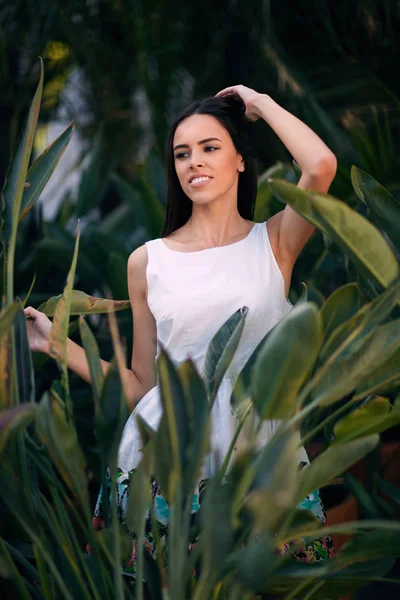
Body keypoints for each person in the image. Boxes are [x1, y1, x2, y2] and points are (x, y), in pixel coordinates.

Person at [25, 84, 336, 577]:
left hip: (259, 455)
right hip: (165, 462)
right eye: (181, 153)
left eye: (210, 148)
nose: (194, 162)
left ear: (238, 160)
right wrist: (52, 345)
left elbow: (320, 167)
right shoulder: (148, 261)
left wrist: (260, 105)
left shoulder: (274, 242)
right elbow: (144, 388)